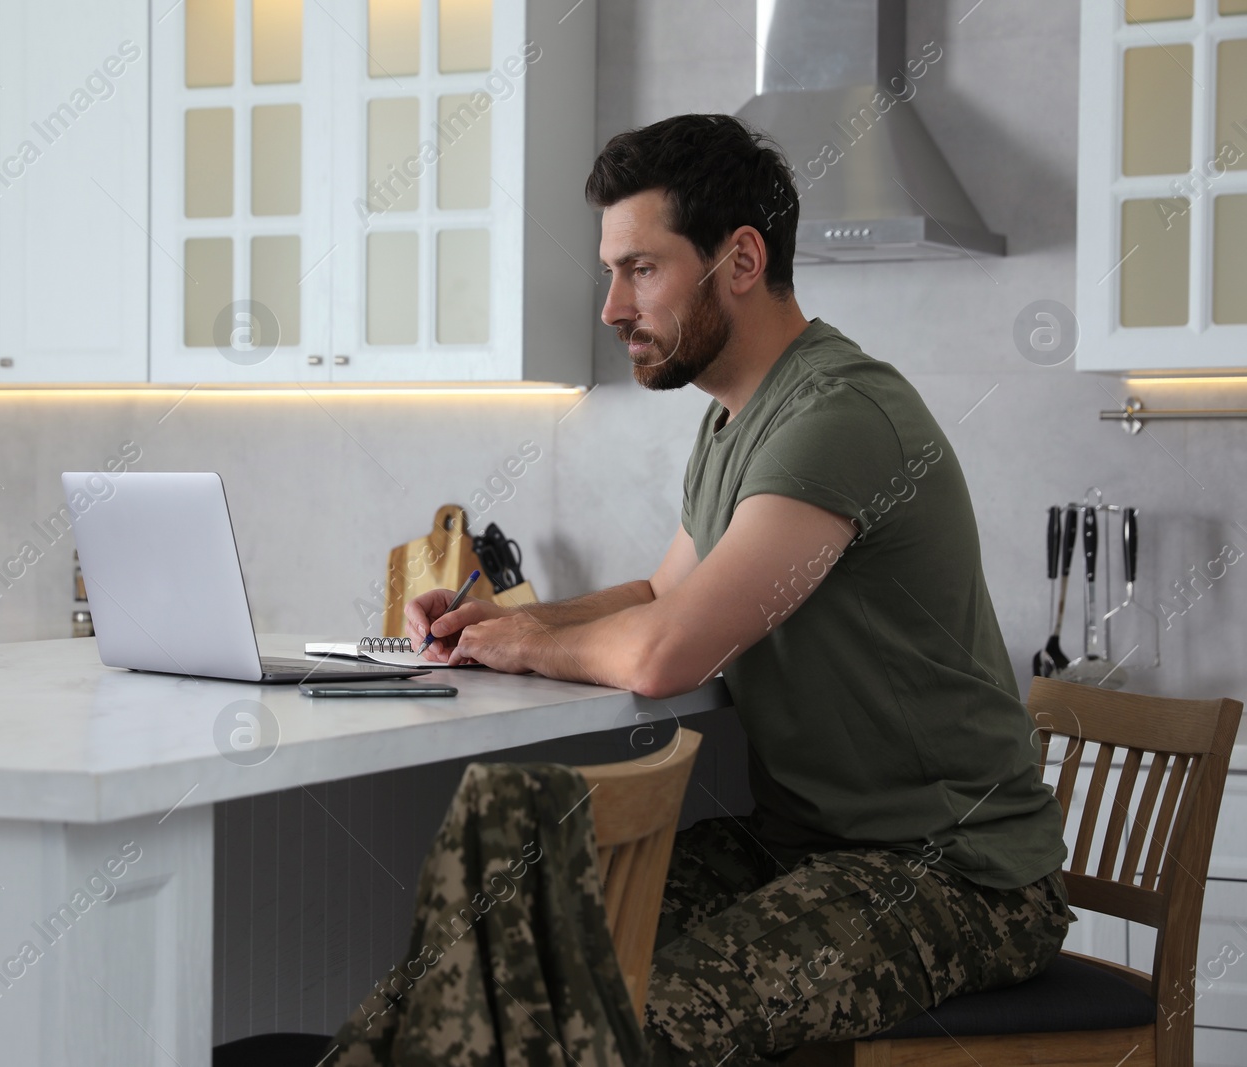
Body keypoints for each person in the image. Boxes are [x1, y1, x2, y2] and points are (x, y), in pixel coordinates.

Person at [402, 114, 1071, 1063]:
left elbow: (672, 648)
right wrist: (502, 618)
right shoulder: (733, 422)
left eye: (640, 269)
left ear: (740, 261)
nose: (611, 307)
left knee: (645, 1018)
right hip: (806, 846)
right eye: (612, 271)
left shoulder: (837, 416)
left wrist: (519, 644)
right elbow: (659, 589)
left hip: (954, 874)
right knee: (519, 931)